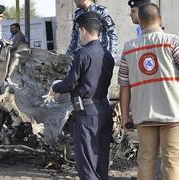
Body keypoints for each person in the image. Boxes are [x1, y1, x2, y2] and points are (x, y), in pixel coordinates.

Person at [44, 12, 114, 180]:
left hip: (87, 113)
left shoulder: (83, 54)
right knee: (101, 160)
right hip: (104, 110)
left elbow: (70, 83)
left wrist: (55, 87)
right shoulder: (108, 55)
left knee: (87, 163)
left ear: (83, 31)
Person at [118, 3, 179, 180]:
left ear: (141, 21)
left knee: (145, 161)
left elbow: (124, 86)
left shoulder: (128, 48)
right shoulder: (173, 42)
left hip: (144, 115)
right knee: (172, 162)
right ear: (159, 19)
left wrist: (125, 117)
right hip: (172, 114)